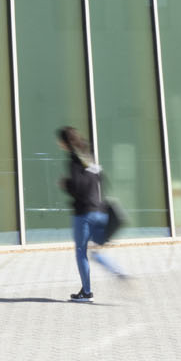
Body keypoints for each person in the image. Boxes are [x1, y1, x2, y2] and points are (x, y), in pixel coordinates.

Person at [58, 126, 126, 302]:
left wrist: (66, 184)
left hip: (84, 214)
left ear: (65, 142)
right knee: (96, 252)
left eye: (60, 141)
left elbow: (78, 186)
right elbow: (102, 182)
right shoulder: (90, 157)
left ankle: (86, 293)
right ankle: (119, 273)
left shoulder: (74, 160)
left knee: (81, 251)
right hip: (101, 211)